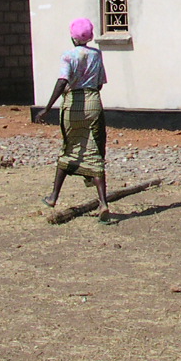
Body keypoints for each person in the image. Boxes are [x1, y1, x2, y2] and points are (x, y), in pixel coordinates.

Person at [35, 17, 110, 218]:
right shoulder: (97, 55)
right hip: (93, 103)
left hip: (72, 106)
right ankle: (103, 203)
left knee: (70, 148)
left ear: (72, 37)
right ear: (91, 36)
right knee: (94, 149)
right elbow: (101, 83)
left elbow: (62, 81)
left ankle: (53, 197)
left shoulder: (68, 56)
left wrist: (47, 108)